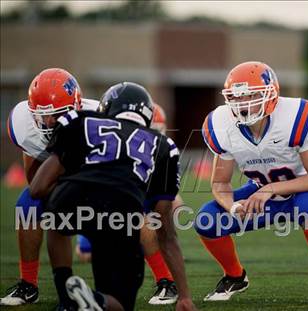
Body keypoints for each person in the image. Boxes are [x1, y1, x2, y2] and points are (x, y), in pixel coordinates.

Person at [196, 61, 308, 305]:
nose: (243, 104)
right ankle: (235, 276)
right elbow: (220, 184)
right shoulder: (220, 124)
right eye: (236, 98)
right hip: (260, 195)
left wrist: (269, 190)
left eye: (251, 96)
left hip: (303, 190)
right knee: (206, 220)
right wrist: (233, 207)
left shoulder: (296, 115)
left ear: (271, 94)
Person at [29, 82, 196, 311]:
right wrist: (185, 295)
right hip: (123, 211)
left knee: (56, 217)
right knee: (118, 304)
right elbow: (164, 229)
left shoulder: (81, 121)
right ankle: (95, 301)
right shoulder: (164, 145)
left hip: (74, 196)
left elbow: (37, 188)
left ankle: (66, 294)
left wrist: (66, 188)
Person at [1, 68, 98, 306]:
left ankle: (163, 281)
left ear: (76, 106)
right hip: (61, 182)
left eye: (56, 114)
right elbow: (34, 181)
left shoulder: (97, 119)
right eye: (42, 115)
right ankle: (28, 285)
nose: (48, 121)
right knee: (28, 204)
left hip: (97, 184)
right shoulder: (24, 124)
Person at [74, 103, 182, 305]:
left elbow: (171, 201)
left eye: (158, 130)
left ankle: (165, 280)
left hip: (139, 201)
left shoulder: (163, 150)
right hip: (111, 202)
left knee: (148, 222)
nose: (152, 135)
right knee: (85, 251)